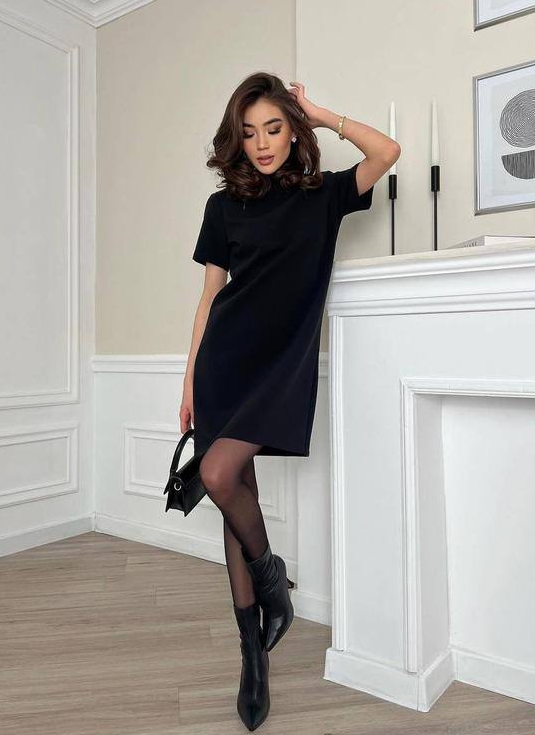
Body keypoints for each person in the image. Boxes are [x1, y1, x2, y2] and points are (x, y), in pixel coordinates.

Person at [179, 72, 401, 730]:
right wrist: (189, 380)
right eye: (249, 133)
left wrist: (320, 113)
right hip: (224, 364)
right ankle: (253, 655)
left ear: (292, 131)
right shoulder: (222, 207)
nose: (262, 143)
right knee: (232, 491)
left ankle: (272, 580)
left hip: (281, 366)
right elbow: (210, 295)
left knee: (219, 476)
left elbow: (387, 152)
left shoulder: (322, 195)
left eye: (274, 128)